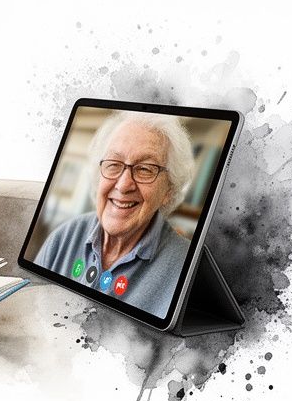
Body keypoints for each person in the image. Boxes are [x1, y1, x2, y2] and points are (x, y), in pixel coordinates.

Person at [35, 111, 195, 318]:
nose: (123, 184)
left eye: (145, 169)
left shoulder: (186, 269)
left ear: (168, 191)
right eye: (113, 164)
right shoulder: (64, 237)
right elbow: (31, 312)